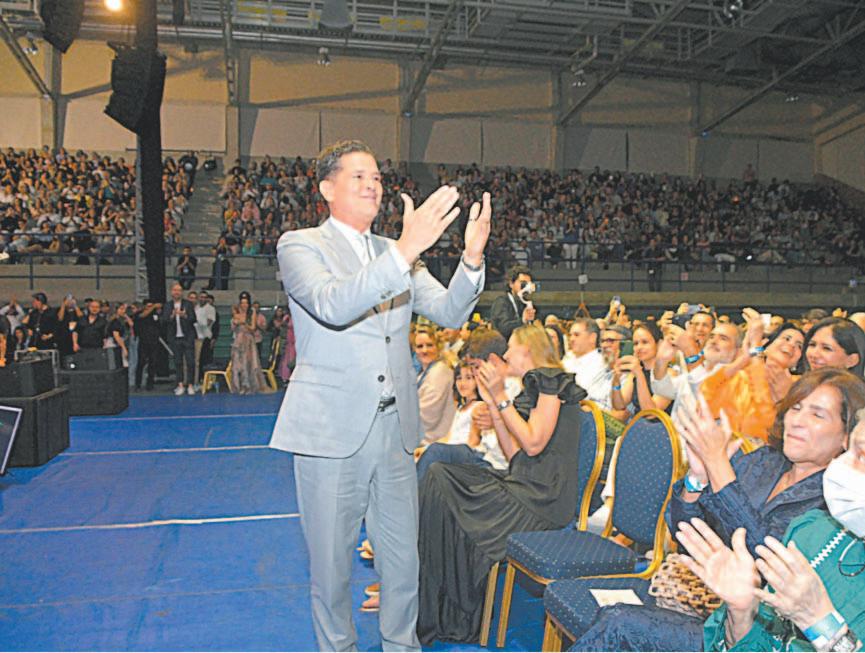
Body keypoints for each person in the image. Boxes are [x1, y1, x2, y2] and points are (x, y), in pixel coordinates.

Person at [268, 139, 490, 652]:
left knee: (403, 565)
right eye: (359, 176)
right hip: (330, 435)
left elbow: (450, 311)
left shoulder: (395, 252)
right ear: (327, 189)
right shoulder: (300, 245)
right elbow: (334, 303)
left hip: (395, 431)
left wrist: (472, 258)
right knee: (332, 572)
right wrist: (405, 251)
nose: (373, 185)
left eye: (377, 178)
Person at [570, 368, 865, 651]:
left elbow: (765, 557)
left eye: (817, 415)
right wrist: (696, 481)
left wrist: (718, 466)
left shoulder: (841, 505)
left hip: (758, 629)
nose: (797, 421)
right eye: (796, 408)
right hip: (708, 599)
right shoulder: (765, 462)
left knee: (618, 623)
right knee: (612, 619)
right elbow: (687, 536)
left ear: (847, 437)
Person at [417, 324, 586, 644]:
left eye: (511, 347)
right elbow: (515, 455)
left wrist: (500, 397)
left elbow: (533, 444)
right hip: (523, 485)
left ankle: (444, 604)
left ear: (528, 349)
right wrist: (495, 406)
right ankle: (439, 604)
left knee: (442, 479)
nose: (506, 354)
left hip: (543, 500)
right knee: (439, 476)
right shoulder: (531, 388)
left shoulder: (551, 381)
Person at [701, 310, 805, 441]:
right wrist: (745, 358)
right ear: (767, 344)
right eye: (786, 339)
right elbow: (705, 397)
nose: (791, 345)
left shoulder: (799, 386)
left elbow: (767, 421)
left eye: (799, 346)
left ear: (797, 361)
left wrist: (755, 347)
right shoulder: (741, 374)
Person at [611, 321, 672, 415]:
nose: (639, 347)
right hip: (637, 422)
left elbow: (651, 413)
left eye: (645, 342)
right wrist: (616, 381)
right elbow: (619, 406)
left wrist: (639, 375)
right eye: (636, 343)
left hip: (659, 423)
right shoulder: (635, 373)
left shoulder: (669, 374)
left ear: (659, 344)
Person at [415, 324, 457, 444]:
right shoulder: (424, 372)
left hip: (432, 441)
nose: (424, 350)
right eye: (420, 346)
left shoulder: (440, 372)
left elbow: (427, 416)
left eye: (429, 345)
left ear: (438, 346)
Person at [562, 317, 611, 408]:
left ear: (592, 338)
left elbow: (581, 395)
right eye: (570, 335)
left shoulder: (601, 363)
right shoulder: (568, 358)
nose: (571, 339)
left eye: (576, 335)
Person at [160, 283, 197, 396]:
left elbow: (193, 319)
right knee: (178, 362)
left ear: (182, 292)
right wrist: (172, 316)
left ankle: (190, 385)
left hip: (188, 337)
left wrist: (184, 316)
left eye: (179, 290)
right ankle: (180, 384)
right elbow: (164, 321)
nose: (177, 292)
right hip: (175, 338)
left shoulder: (188, 304)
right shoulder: (167, 305)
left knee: (190, 362)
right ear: (171, 292)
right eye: (175, 290)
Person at [230, 292, 266, 395]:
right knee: (237, 364)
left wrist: (243, 323)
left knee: (248, 363)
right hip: (238, 340)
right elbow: (233, 328)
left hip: (248, 340)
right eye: (242, 303)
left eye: (246, 303)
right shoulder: (236, 313)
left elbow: (253, 328)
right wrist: (235, 322)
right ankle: (238, 386)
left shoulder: (252, 312)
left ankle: (248, 386)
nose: (244, 305)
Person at [489, 264, 535, 340]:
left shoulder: (522, 303)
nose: (525, 287)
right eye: (523, 283)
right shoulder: (501, 302)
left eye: (528, 284)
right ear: (511, 284)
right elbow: (503, 328)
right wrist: (522, 320)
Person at [134, 299, 161, 391]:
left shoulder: (155, 314)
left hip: (154, 342)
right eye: (148, 306)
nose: (150, 308)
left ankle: (150, 384)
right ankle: (138, 384)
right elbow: (142, 316)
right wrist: (153, 307)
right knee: (141, 363)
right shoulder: (139, 314)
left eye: (151, 306)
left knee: (153, 363)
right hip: (143, 342)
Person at [194, 291, 216, 387]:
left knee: (205, 361)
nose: (202, 299)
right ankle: (196, 380)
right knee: (196, 361)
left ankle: (205, 381)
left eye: (204, 297)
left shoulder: (210, 309)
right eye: (201, 297)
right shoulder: (195, 307)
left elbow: (208, 322)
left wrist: (196, 322)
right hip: (195, 336)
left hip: (205, 337)